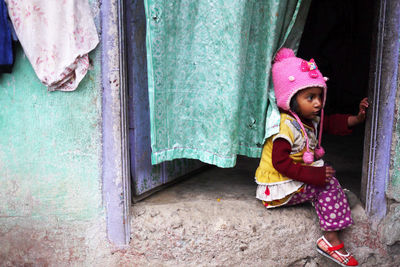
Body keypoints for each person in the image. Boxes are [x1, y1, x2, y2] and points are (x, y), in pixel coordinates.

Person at [255, 48, 369, 267]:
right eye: (310, 97)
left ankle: (335, 202)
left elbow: (333, 123)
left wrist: (357, 118)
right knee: (326, 184)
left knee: (326, 178)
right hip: (277, 187)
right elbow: (280, 163)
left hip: (292, 181)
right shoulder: (284, 128)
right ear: (290, 99)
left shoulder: (307, 120)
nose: (318, 103)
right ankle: (331, 241)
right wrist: (313, 175)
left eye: (319, 96)